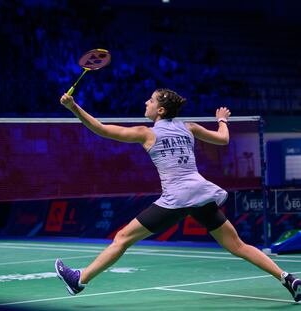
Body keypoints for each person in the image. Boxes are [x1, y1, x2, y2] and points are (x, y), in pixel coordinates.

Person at [54, 89, 301, 302]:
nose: (145, 103)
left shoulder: (146, 133)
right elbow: (223, 140)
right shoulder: (189, 127)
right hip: (201, 192)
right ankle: (287, 278)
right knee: (238, 245)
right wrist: (222, 120)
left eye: (150, 101)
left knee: (122, 238)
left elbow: (102, 130)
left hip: (177, 198)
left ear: (160, 110)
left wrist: (74, 106)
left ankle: (79, 280)